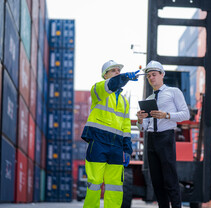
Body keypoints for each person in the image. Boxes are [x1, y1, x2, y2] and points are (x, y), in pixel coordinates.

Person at [81, 60, 139, 208]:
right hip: (98, 142)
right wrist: (124, 77)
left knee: (115, 186)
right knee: (94, 183)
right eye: (114, 71)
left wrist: (127, 149)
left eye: (119, 71)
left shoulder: (124, 102)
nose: (117, 73)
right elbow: (110, 86)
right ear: (105, 75)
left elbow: (126, 126)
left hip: (117, 146)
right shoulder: (98, 90)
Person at [136, 60, 190, 208]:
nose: (151, 78)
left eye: (154, 74)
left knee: (170, 179)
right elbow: (144, 127)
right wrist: (140, 120)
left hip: (166, 137)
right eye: (149, 76)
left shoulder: (173, 92)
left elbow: (186, 114)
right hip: (151, 140)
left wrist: (166, 115)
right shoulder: (148, 99)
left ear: (162, 75)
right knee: (157, 182)